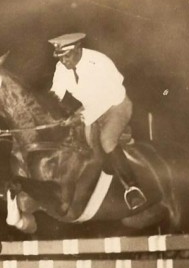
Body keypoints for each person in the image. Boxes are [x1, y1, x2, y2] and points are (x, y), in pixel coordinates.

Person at [48, 32, 146, 210]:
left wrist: (81, 117)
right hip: (90, 108)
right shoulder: (61, 67)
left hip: (116, 105)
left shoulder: (100, 62)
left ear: (78, 49)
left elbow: (110, 95)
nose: (63, 62)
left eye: (67, 56)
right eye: (60, 57)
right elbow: (55, 95)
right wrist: (51, 114)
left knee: (107, 140)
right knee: (77, 144)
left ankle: (132, 188)